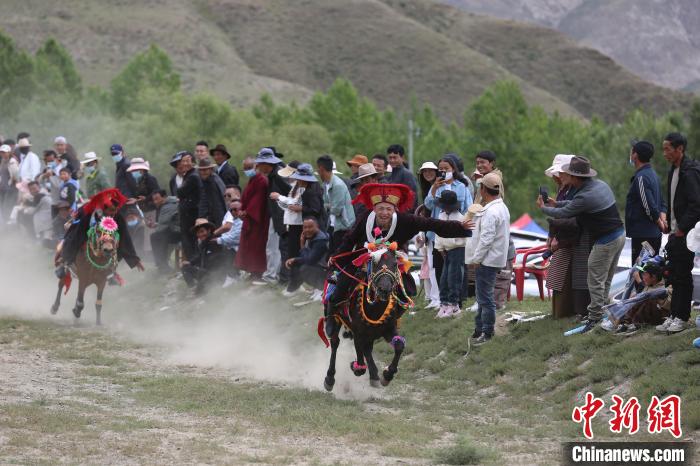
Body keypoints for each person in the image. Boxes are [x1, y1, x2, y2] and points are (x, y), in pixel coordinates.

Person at [325, 183, 473, 336]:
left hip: (391, 261)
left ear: (394, 209)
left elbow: (432, 224)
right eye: (381, 209)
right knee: (341, 285)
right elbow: (350, 239)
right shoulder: (365, 219)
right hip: (363, 259)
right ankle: (331, 316)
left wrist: (460, 226)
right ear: (374, 209)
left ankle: (391, 322)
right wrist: (336, 257)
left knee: (407, 290)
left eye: (388, 209)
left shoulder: (405, 220)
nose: (384, 213)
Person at [538, 156, 625, 332]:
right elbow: (573, 204)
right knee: (605, 279)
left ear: (575, 177)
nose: (566, 177)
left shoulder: (585, 196)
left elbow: (564, 213)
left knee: (594, 279)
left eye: (569, 174)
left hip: (606, 240)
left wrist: (544, 208)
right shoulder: (599, 185)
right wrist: (556, 203)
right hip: (619, 235)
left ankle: (594, 318)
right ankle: (602, 312)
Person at [657, 132, 700, 333]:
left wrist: (682, 228)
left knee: (683, 275)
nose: (664, 153)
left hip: (687, 234)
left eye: (668, 149)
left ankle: (682, 317)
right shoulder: (673, 170)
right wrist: (668, 220)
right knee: (673, 275)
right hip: (675, 231)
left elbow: (696, 205)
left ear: (680, 149)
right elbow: (673, 201)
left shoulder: (690, 172)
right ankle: (673, 314)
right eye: (663, 149)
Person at [464, 173, 510, 344]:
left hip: (487, 259)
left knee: (485, 298)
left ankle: (487, 332)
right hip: (492, 258)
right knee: (482, 296)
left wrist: (476, 259)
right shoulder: (501, 207)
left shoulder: (491, 211)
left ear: (483, 189)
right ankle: (479, 329)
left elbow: (486, 239)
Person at [58, 188, 143, 273]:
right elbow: (77, 235)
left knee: (118, 241)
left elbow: (125, 237)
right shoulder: (88, 214)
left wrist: (135, 260)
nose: (114, 212)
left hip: (108, 241)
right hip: (86, 228)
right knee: (74, 236)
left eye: (116, 209)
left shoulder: (117, 216)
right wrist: (67, 256)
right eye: (111, 210)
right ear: (104, 209)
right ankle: (65, 262)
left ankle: (111, 272)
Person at [272, 163, 326, 296]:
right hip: (310, 226)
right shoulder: (308, 188)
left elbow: (315, 209)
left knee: (316, 260)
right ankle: (315, 288)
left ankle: (319, 289)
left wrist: (300, 208)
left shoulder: (311, 191)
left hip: (315, 227)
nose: (298, 180)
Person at [625, 140, 666, 263]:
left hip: (644, 236)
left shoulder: (641, 177)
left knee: (639, 269)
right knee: (649, 269)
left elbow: (648, 206)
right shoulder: (653, 174)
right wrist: (663, 222)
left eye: (631, 152)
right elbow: (662, 203)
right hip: (653, 234)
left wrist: (660, 224)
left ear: (635, 155)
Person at [235, 148, 273, 280]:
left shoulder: (262, 181)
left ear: (256, 166)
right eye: (245, 168)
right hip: (249, 219)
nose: (247, 170)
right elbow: (245, 198)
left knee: (257, 247)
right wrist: (241, 209)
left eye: (249, 167)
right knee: (249, 247)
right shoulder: (252, 180)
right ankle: (251, 272)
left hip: (258, 220)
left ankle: (257, 272)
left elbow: (258, 201)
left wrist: (246, 212)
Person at [434, 190, 467, 318]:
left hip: (458, 249)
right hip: (446, 250)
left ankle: (454, 305)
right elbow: (438, 233)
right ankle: (444, 304)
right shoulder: (441, 216)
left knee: (454, 278)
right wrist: (440, 248)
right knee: (444, 278)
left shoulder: (460, 219)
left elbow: (464, 238)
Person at [316, 155, 355, 253]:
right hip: (333, 226)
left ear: (321, 169)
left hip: (343, 226)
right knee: (330, 255)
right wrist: (329, 206)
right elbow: (325, 204)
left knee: (337, 256)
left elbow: (337, 210)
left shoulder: (338, 185)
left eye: (318, 169)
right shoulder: (325, 184)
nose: (318, 172)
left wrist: (328, 206)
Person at [285, 217, 329, 300]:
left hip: (326, 272)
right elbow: (307, 257)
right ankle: (294, 288)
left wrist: (302, 246)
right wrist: (295, 259)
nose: (307, 230)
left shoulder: (320, 240)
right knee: (296, 263)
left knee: (305, 268)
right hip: (319, 267)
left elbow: (310, 260)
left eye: (310, 227)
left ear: (317, 226)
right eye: (305, 227)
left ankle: (321, 289)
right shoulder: (311, 236)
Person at [181, 218, 226, 295]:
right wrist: (190, 262)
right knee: (185, 267)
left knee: (200, 292)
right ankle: (193, 288)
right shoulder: (203, 243)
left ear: (209, 230)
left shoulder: (215, 242)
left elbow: (217, 262)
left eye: (202, 231)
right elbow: (199, 256)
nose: (200, 234)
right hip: (206, 273)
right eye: (198, 232)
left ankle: (199, 289)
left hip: (215, 275)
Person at [175, 151, 203, 261]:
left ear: (193, 162)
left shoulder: (193, 176)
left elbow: (180, 192)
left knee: (189, 239)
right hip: (188, 212)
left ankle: (193, 262)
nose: (185, 163)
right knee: (188, 240)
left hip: (190, 213)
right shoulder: (189, 175)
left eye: (188, 161)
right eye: (183, 161)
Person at [149, 189, 180, 273]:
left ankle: (162, 265)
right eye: (154, 199)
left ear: (164, 197)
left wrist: (156, 226)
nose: (155, 202)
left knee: (156, 236)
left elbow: (162, 226)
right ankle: (161, 264)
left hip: (178, 231)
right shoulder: (170, 202)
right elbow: (164, 222)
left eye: (157, 199)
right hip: (175, 228)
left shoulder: (168, 206)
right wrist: (155, 224)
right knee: (158, 235)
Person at [214, 199, 243, 287]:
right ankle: (230, 275)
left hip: (239, 248)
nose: (233, 212)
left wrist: (218, 240)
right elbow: (226, 233)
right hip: (230, 246)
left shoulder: (242, 221)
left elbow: (235, 238)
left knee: (229, 250)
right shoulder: (229, 218)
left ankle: (233, 276)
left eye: (235, 209)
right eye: (231, 210)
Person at [196, 156, 227, 227]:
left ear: (211, 170)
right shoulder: (206, 181)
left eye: (205, 170)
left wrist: (219, 226)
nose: (203, 172)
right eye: (201, 170)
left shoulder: (213, 182)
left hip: (218, 220)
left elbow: (218, 206)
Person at [0, 144, 19, 223]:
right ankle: (4, 223)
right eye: (1, 152)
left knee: (7, 207)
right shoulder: (3, 161)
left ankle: (7, 223)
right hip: (3, 188)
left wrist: (14, 182)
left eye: (4, 152)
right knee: (2, 206)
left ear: (9, 152)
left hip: (10, 188)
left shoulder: (12, 162)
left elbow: (16, 175)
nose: (3, 154)